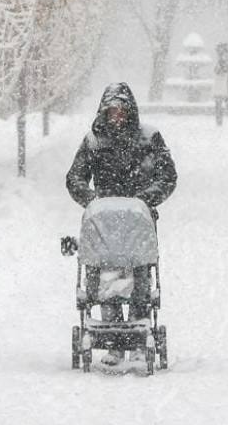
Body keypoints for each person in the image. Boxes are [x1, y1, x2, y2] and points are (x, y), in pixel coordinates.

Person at [67, 82, 177, 364]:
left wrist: (145, 199)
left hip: (138, 221)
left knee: (139, 274)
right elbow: (75, 178)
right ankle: (115, 342)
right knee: (108, 279)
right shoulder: (94, 141)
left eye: (121, 111)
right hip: (104, 223)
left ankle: (139, 333)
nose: (117, 116)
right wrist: (92, 199)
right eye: (112, 111)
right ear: (104, 112)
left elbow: (168, 177)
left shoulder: (148, 138)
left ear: (130, 112)